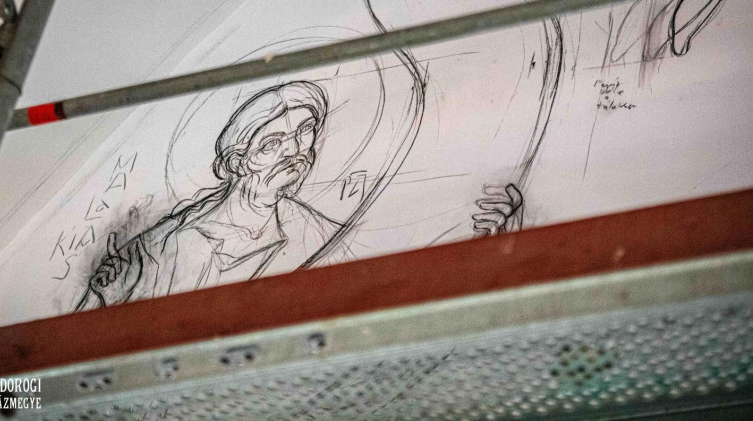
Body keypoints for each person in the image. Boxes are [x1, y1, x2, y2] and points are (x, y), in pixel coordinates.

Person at [76, 81, 522, 310]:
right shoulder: (162, 250)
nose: (294, 151)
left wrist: (486, 238)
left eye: (304, 133)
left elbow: (381, 277)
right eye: (272, 144)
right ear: (237, 162)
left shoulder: (308, 228)